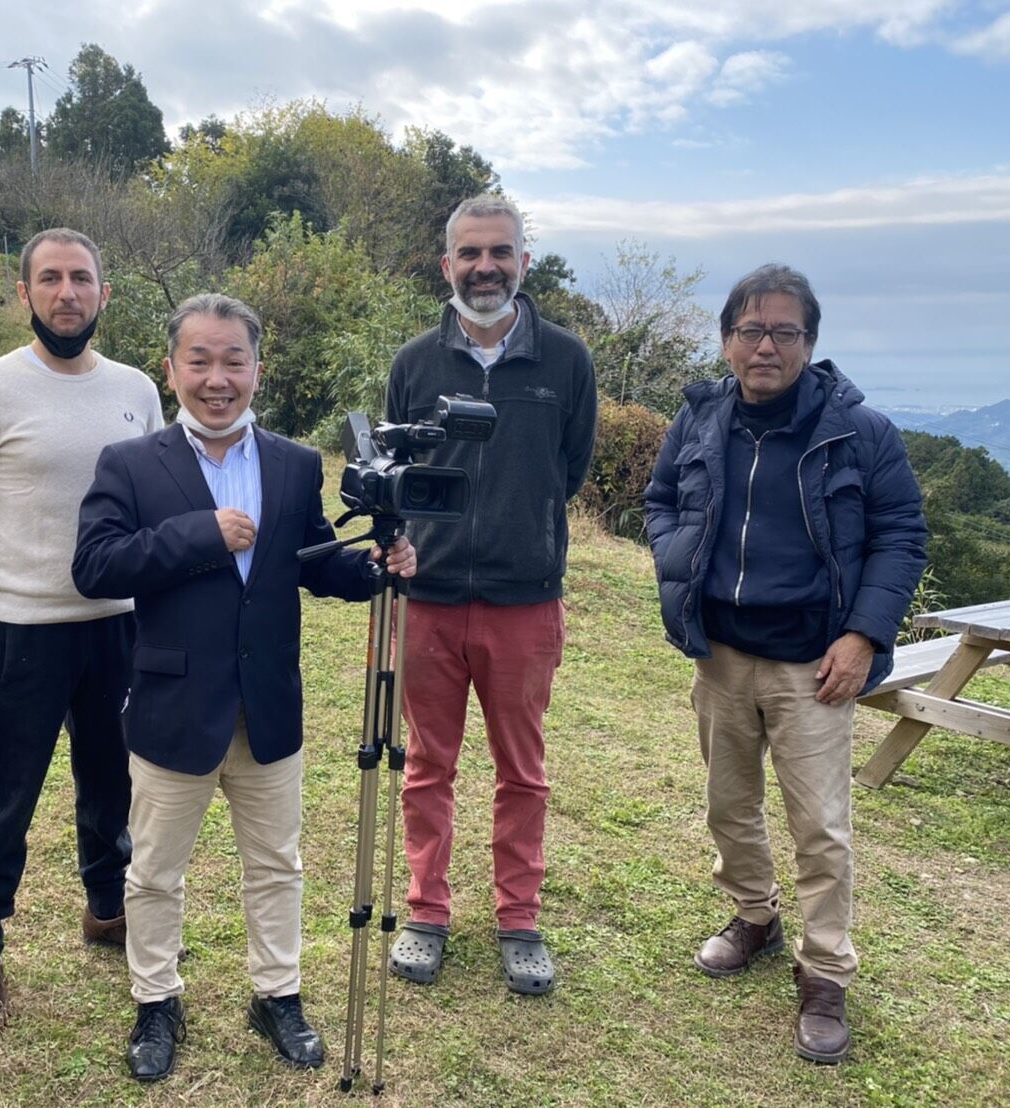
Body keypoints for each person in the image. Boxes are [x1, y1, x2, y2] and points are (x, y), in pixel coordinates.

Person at [72, 293, 416, 1082]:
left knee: (276, 865)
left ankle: (277, 994)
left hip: (267, 708)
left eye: (234, 361)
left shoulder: (293, 463)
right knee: (153, 872)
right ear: (171, 369)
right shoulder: (131, 463)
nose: (217, 378)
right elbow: (95, 566)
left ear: (258, 370)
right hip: (172, 708)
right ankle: (156, 1000)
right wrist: (201, 534)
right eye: (200, 360)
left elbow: (313, 561)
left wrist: (373, 568)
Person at [644, 263, 927, 1063]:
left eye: (784, 332)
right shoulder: (701, 418)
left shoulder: (858, 431)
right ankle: (754, 916)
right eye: (751, 330)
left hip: (815, 662)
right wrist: (676, 556)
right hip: (722, 652)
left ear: (809, 342)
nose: (765, 346)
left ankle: (826, 972)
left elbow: (901, 535)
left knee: (821, 828)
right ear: (726, 340)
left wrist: (864, 635)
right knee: (728, 805)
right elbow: (660, 500)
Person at [0, 228, 164, 1040]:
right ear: (25, 292)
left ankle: (106, 908)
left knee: (113, 785)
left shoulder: (137, 390)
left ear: (105, 294)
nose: (68, 293)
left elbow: (153, 502)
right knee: (2, 798)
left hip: (118, 627)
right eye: (51, 279)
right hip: (22, 630)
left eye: (82, 279)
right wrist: (13, 573)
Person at [384, 194, 597, 995]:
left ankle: (519, 919)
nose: (485, 267)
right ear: (447, 264)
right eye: (470, 253)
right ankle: (427, 912)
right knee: (426, 767)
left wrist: (518, 531)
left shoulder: (566, 361)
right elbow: (398, 471)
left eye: (500, 252)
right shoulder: (413, 363)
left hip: (524, 601)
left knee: (523, 773)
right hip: (429, 598)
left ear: (523, 262)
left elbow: (568, 470)